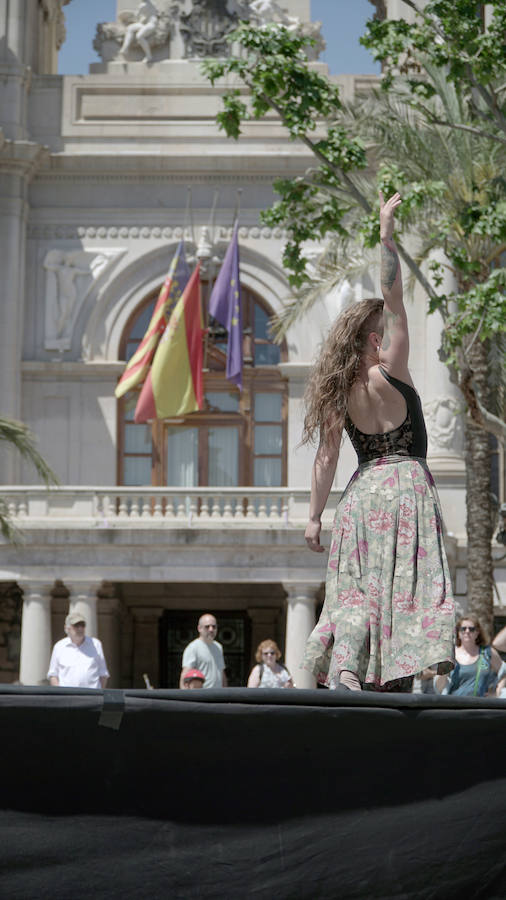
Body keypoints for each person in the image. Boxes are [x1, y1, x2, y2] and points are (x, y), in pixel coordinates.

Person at [302, 191, 455, 692]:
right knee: (407, 588)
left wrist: (313, 516)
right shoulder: (392, 370)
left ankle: (347, 667)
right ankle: (415, 668)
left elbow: (327, 457)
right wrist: (386, 235)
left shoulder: (339, 392)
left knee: (357, 590)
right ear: (376, 338)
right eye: (384, 331)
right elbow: (394, 296)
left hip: (361, 493)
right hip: (407, 487)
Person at [435, 615, 502, 696]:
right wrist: (445, 669)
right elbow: (438, 687)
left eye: (471, 629)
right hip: (454, 705)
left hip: (481, 706)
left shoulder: (487, 652)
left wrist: (497, 691)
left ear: (477, 633)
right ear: (458, 633)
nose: (467, 631)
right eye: (463, 629)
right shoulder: (449, 654)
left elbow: (504, 672)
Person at [48, 612, 109, 689]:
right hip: (67, 697)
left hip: (92, 696)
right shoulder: (59, 647)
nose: (80, 628)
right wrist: (60, 695)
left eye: (82, 625)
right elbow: (53, 675)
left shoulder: (96, 644)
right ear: (67, 628)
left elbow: (103, 674)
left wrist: (99, 694)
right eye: (76, 625)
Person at [179, 614, 227, 689]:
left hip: (218, 695)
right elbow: (185, 675)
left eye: (214, 627)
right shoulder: (193, 647)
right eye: (207, 627)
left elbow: (222, 673)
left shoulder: (218, 647)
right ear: (199, 628)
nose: (211, 629)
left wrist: (225, 693)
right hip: (202, 695)